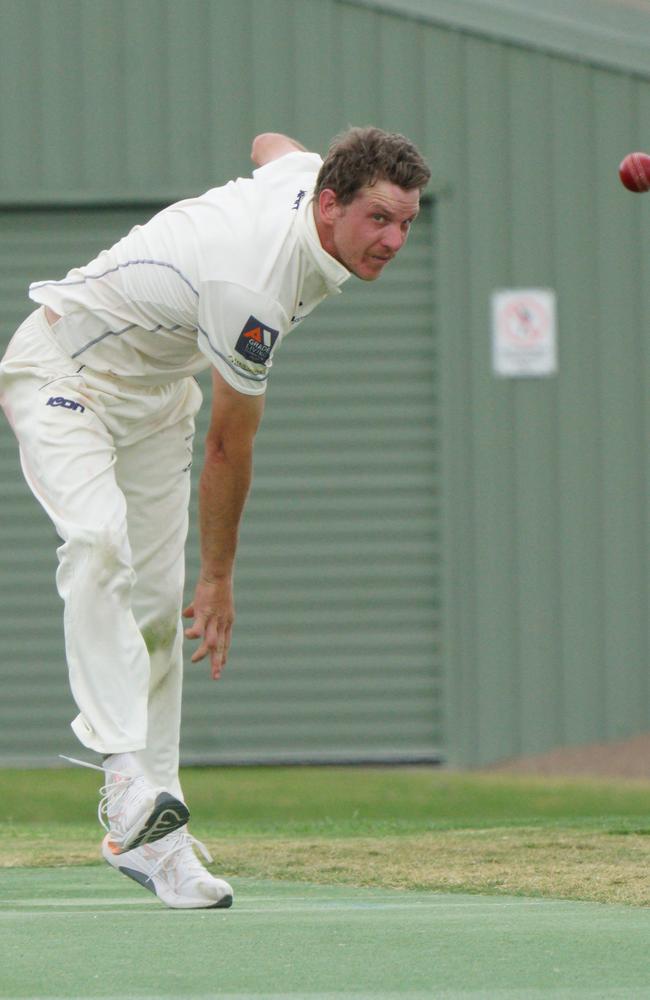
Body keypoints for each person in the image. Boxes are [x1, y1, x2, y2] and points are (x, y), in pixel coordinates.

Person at [0, 127, 431, 909]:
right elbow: (230, 448)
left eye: (406, 220)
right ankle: (125, 781)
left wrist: (296, 166)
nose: (395, 239)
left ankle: (157, 849)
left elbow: (272, 144)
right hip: (64, 370)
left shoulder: (308, 179)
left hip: (158, 397)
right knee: (99, 545)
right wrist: (221, 575)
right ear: (329, 205)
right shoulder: (252, 288)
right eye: (378, 219)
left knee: (160, 617)